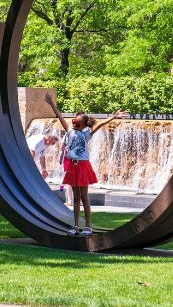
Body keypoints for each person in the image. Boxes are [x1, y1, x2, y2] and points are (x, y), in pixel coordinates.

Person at [45, 92, 129, 236]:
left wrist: (114, 117)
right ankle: (76, 226)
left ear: (83, 125)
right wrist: (52, 104)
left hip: (83, 166)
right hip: (72, 166)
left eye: (76, 123)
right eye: (73, 122)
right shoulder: (70, 131)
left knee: (84, 197)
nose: (73, 124)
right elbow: (59, 116)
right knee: (76, 198)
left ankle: (88, 226)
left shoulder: (86, 134)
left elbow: (101, 123)